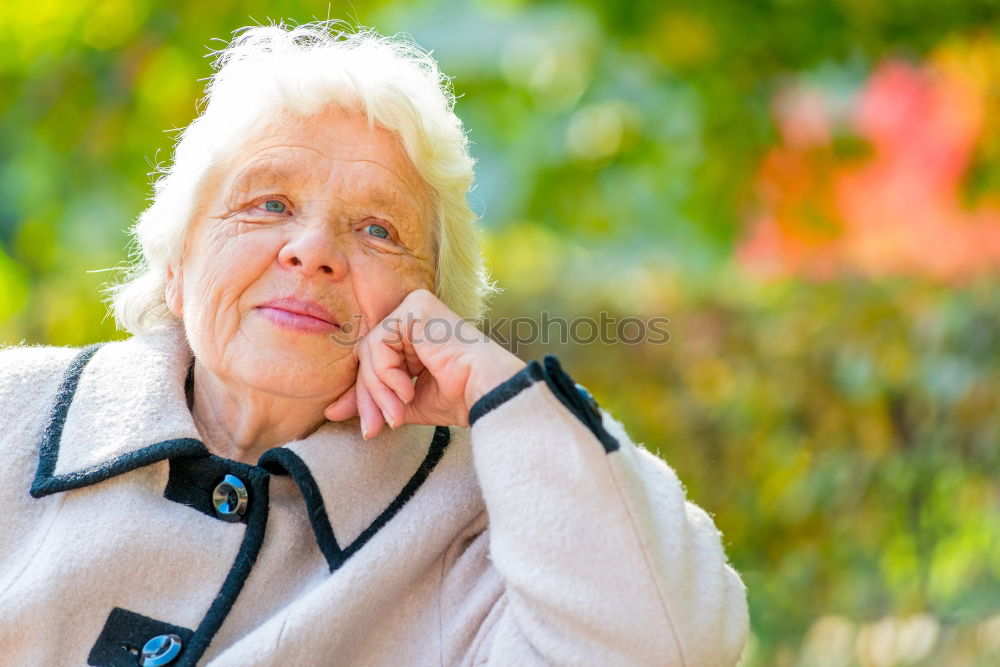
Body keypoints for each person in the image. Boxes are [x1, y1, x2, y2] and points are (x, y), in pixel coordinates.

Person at [0, 22, 748, 666]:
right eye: (269, 203)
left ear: (433, 304)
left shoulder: (483, 524)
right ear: (176, 262)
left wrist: (500, 388)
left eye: (378, 230)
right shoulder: (14, 413)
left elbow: (667, 645)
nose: (313, 249)